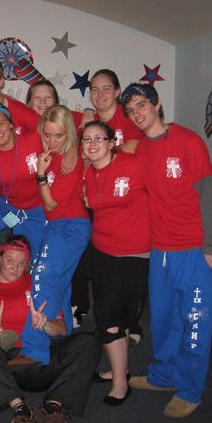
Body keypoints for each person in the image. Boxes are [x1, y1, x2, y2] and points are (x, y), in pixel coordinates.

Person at [122, 83, 212, 418]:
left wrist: (211, 247)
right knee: (163, 319)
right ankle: (164, 375)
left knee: (194, 320)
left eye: (141, 105)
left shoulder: (188, 141)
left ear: (156, 104)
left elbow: (209, 194)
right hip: (160, 249)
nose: (137, 113)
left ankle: (191, 388)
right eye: (131, 110)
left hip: (193, 249)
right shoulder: (140, 150)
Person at [0, 234, 101, 423]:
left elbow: (62, 329)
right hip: (4, 365)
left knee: (89, 341)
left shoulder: (38, 284)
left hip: (40, 357)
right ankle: (19, 409)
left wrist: (45, 323)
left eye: (22, 263)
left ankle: (53, 407)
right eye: (10, 260)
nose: (15, 267)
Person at [81, 121, 150, 405]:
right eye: (87, 139)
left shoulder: (133, 164)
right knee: (114, 315)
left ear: (112, 143)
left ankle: (121, 384)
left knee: (106, 315)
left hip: (133, 253)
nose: (92, 144)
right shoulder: (89, 172)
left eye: (99, 138)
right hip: (102, 250)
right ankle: (119, 369)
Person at [16, 105, 91, 365]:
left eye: (59, 135)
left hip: (70, 226)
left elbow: (51, 204)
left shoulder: (70, 159)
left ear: (68, 133)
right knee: (60, 282)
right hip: (57, 226)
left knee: (41, 278)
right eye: (47, 135)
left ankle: (34, 349)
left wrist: (40, 174)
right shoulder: (56, 154)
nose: (52, 141)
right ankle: (64, 334)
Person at [0, 103, 46, 271]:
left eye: (1, 123)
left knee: (30, 265)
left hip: (37, 210)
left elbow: (57, 125)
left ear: (11, 124)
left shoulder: (34, 139)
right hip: (9, 206)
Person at [90, 69, 143, 153]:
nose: (100, 95)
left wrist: (101, 152)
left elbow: (133, 147)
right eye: (95, 90)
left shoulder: (128, 115)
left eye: (106, 89)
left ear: (117, 92)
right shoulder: (88, 120)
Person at [25, 79, 93, 129]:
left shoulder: (67, 118)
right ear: (29, 103)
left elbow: (98, 117)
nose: (43, 101)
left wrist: (89, 111)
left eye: (48, 97)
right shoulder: (21, 122)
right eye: (37, 97)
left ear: (56, 102)